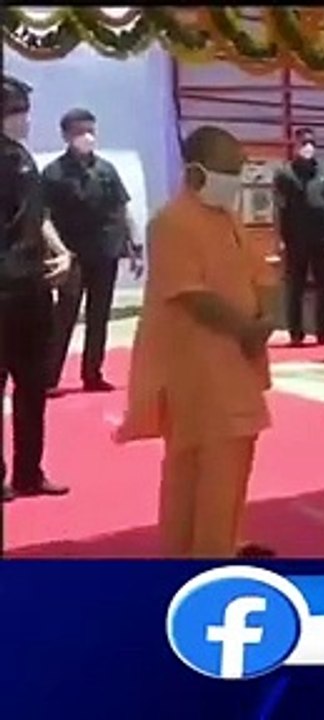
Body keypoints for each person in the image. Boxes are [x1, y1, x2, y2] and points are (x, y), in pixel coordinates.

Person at [114, 125, 279, 558]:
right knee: (210, 467)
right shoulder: (170, 223)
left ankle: (204, 549)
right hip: (199, 367)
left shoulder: (227, 218)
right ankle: (207, 558)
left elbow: (260, 272)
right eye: (229, 170)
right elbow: (191, 295)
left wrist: (265, 316)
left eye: (240, 170)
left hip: (235, 363)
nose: (237, 180)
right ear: (196, 173)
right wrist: (246, 328)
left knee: (216, 464)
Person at [1, 75, 72, 504]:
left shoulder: (23, 158)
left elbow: (38, 215)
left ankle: (29, 470)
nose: (25, 118)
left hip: (31, 283)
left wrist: (62, 252)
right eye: (17, 110)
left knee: (32, 383)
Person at [44, 107, 144, 394]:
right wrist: (55, 251)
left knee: (99, 316)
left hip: (105, 252)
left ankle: (93, 374)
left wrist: (134, 244)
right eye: (79, 131)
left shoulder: (106, 170)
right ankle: (50, 377)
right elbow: (43, 216)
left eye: (90, 130)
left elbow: (122, 208)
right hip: (72, 254)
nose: (87, 137)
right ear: (66, 135)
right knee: (65, 315)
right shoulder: (54, 173)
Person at [273, 127, 324, 347]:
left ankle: (323, 332)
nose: (308, 147)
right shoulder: (285, 174)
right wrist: (279, 239)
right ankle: (296, 334)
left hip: (323, 239)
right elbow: (279, 208)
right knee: (295, 287)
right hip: (296, 239)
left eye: (311, 143)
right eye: (303, 143)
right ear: (295, 146)